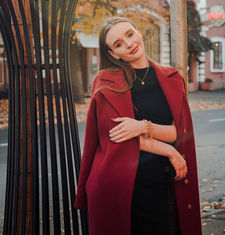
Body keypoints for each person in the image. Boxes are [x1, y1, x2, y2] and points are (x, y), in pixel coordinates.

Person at [74, 17, 201, 235]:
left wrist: (142, 126)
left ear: (138, 32)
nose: (129, 44)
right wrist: (169, 150)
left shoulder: (172, 78)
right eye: (118, 44)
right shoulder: (106, 82)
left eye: (130, 34)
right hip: (119, 184)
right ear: (114, 54)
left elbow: (178, 132)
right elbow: (118, 136)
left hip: (162, 182)